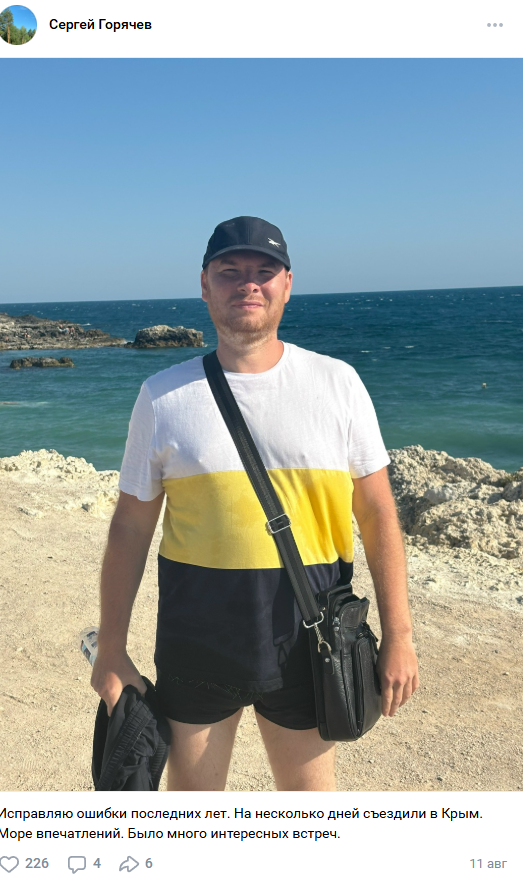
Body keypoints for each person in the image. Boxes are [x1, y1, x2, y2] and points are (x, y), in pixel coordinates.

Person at [91, 216, 419, 791]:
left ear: (287, 284)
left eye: (264, 271)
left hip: (311, 636)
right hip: (197, 640)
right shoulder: (162, 397)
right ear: (204, 284)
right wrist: (111, 649)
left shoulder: (338, 384)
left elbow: (377, 514)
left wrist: (400, 636)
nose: (248, 283)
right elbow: (131, 527)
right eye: (230, 271)